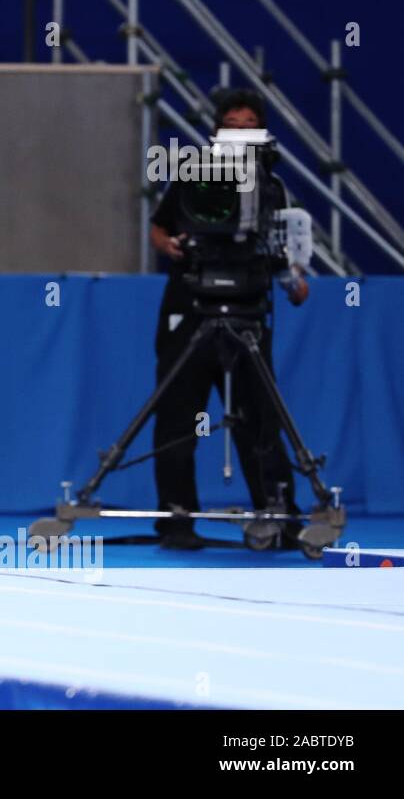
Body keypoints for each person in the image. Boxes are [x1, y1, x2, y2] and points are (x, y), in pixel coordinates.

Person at [148, 88, 309, 550]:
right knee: (178, 415)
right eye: (231, 126)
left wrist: (292, 278)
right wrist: (168, 245)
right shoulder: (192, 175)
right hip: (190, 307)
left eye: (248, 126)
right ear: (216, 132)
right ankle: (176, 519)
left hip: (248, 310)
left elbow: (281, 247)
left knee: (259, 417)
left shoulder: (274, 188)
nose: (239, 134)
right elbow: (159, 226)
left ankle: (278, 516)